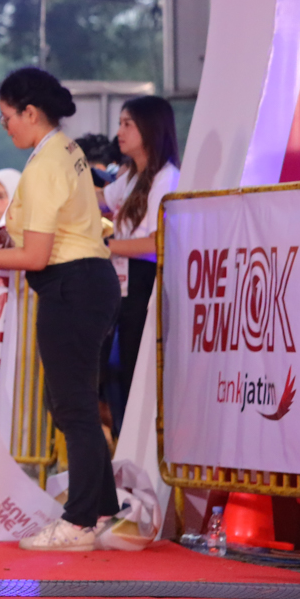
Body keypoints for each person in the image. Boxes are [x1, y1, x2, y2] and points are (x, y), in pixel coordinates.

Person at [0, 67, 124, 553]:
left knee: (73, 406)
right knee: (70, 403)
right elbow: (40, 240)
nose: (5, 126)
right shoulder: (62, 150)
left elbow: (36, 256)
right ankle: (101, 509)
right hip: (86, 282)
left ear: (29, 112)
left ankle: (80, 521)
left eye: (7, 116)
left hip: (72, 285)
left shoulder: (45, 164)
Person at [101, 95, 181, 431]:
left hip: (145, 284)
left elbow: (156, 244)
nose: (119, 132)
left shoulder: (166, 178)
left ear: (150, 128)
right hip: (123, 285)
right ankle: (124, 442)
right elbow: (100, 200)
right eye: (120, 123)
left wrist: (106, 246)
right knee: (115, 372)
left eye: (127, 124)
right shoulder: (134, 176)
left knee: (134, 371)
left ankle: (139, 445)